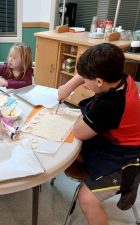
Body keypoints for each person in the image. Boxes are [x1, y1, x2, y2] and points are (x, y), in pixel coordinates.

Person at [58, 43, 140, 225]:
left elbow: (79, 131)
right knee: (69, 152)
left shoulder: (110, 105)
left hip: (126, 156)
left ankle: (129, 182)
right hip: (113, 138)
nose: (84, 83)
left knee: (86, 199)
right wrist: (68, 86)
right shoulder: (121, 76)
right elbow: (88, 72)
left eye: (86, 81)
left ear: (99, 82)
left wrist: (80, 118)